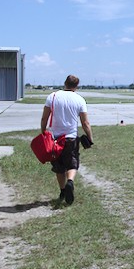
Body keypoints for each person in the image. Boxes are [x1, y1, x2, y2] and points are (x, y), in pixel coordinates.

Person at [40, 75, 94, 205]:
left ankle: (63, 191)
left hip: (55, 138)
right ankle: (70, 181)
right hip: (71, 137)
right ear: (76, 86)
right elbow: (85, 123)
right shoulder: (80, 99)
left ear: (65, 83)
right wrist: (90, 137)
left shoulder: (52, 96)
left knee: (59, 166)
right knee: (72, 164)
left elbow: (44, 118)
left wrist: (43, 132)